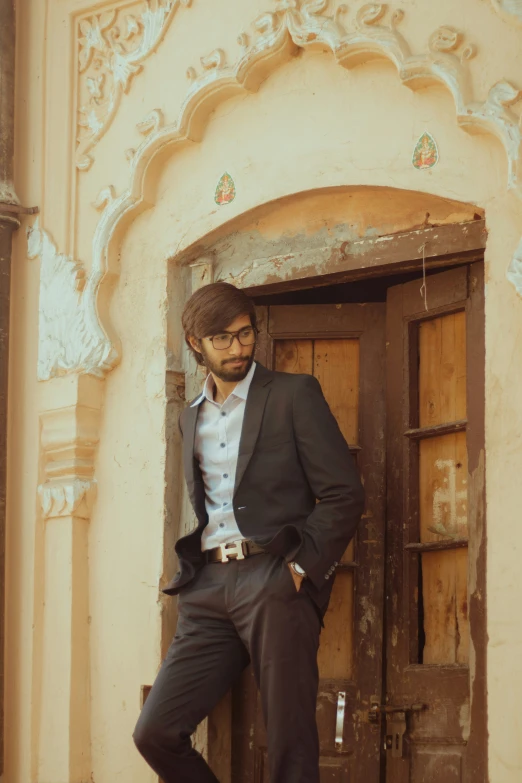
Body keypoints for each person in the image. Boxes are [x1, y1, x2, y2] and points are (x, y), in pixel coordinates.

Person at [133, 282, 365, 783]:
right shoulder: (189, 418)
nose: (238, 348)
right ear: (195, 343)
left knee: (289, 741)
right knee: (155, 732)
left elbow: (345, 492)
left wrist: (300, 569)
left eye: (245, 334)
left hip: (274, 578)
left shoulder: (292, 394)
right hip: (207, 588)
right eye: (223, 339)